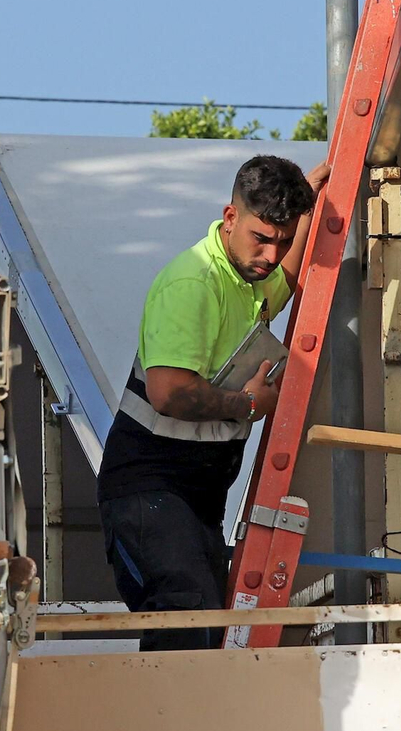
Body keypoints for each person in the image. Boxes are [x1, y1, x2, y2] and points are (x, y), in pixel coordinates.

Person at [97, 154, 330, 650]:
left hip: (191, 496)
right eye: (261, 239)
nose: (270, 254)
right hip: (149, 489)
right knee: (186, 618)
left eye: (282, 241)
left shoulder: (241, 276)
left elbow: (284, 280)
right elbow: (168, 392)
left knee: (200, 626)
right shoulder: (194, 283)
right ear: (230, 219)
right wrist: (246, 405)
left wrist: (310, 201)